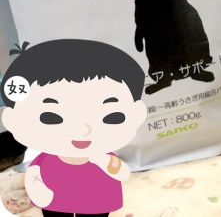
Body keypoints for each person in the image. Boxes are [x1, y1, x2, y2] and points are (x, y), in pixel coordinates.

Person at [1, 39, 147, 217]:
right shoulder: (45, 160)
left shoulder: (103, 156)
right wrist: (39, 191)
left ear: (136, 114)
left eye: (110, 116)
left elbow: (122, 173)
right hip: (56, 201)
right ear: (14, 119)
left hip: (97, 199)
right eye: (51, 117)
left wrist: (105, 162)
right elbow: (34, 177)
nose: (83, 130)